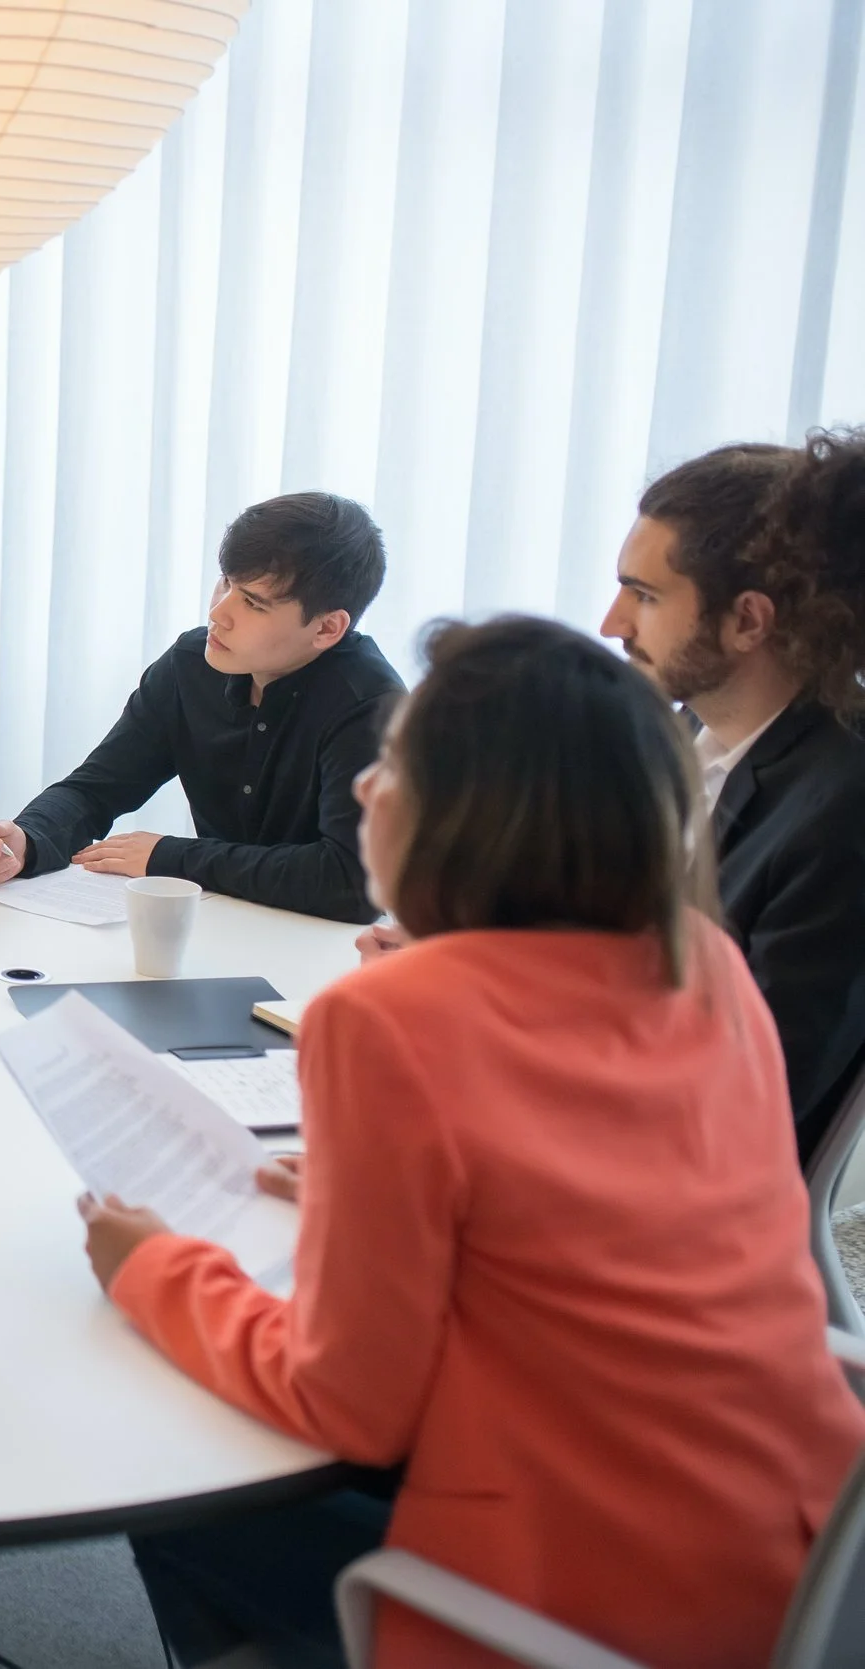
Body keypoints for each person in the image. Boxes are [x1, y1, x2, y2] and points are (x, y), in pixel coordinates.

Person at [75, 616, 865, 1668]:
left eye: (395, 765)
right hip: (799, 1554)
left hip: (585, 1598)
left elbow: (345, 1403)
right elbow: (591, 1205)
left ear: (474, 812)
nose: (364, 788)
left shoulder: (390, 1019)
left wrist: (155, 1270)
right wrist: (377, 1197)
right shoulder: (707, 965)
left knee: (168, 1474)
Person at [596, 436, 865, 1165]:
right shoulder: (690, 730)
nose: (612, 624)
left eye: (645, 596)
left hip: (677, 1179)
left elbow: (747, 1096)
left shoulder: (841, 815)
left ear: (749, 620)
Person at [0, 493, 400, 922]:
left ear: (327, 627)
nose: (219, 613)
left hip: (315, 957)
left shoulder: (371, 707)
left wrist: (169, 856)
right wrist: (27, 840)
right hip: (218, 929)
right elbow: (96, 789)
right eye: (226, 581)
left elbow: (350, 884)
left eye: (252, 603)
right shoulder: (192, 663)